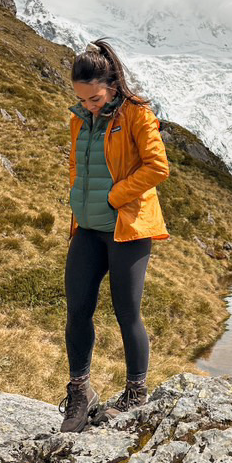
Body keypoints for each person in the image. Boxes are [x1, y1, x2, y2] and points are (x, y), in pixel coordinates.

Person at [58, 38, 170, 433]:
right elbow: (76, 165)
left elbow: (158, 167)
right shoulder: (78, 119)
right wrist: (80, 201)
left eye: (94, 97)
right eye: (82, 98)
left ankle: (136, 393)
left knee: (127, 314)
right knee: (77, 313)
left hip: (128, 230)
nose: (88, 105)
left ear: (112, 83)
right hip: (88, 230)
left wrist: (114, 196)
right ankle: (79, 393)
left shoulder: (137, 114)